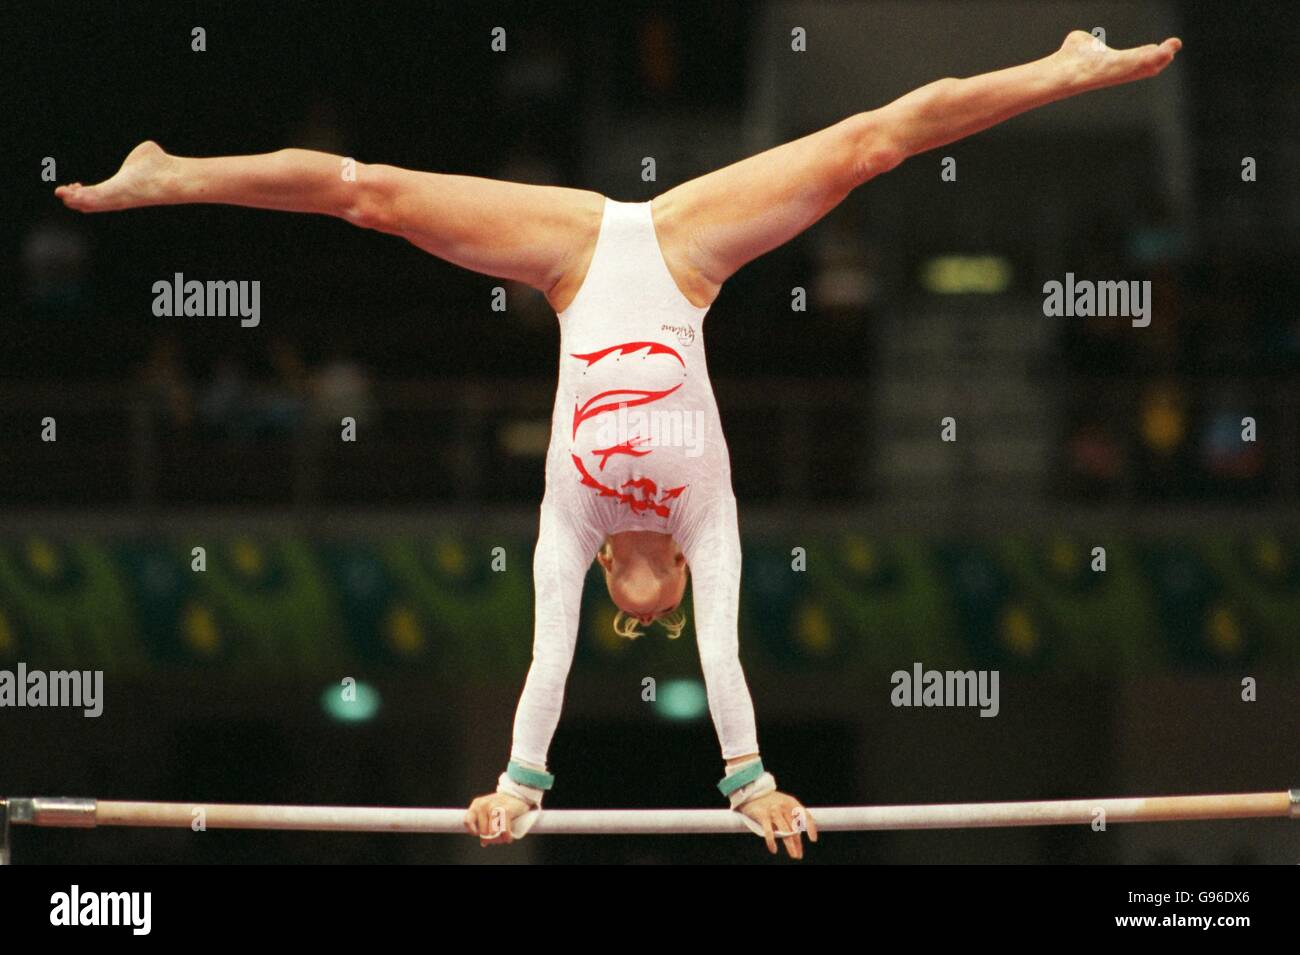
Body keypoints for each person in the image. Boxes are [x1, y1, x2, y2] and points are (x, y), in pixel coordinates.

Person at [55, 31, 1182, 858]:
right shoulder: (709, 523)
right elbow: (724, 661)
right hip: (686, 258)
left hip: (575, 261)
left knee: (375, 198)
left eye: (627, 613)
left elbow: (547, 661)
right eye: (658, 612)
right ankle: (1062, 70)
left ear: (605, 572)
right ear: (680, 576)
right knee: (865, 145)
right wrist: (751, 782)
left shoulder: (572, 522)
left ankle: (1060, 64)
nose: (642, 603)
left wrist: (517, 784)